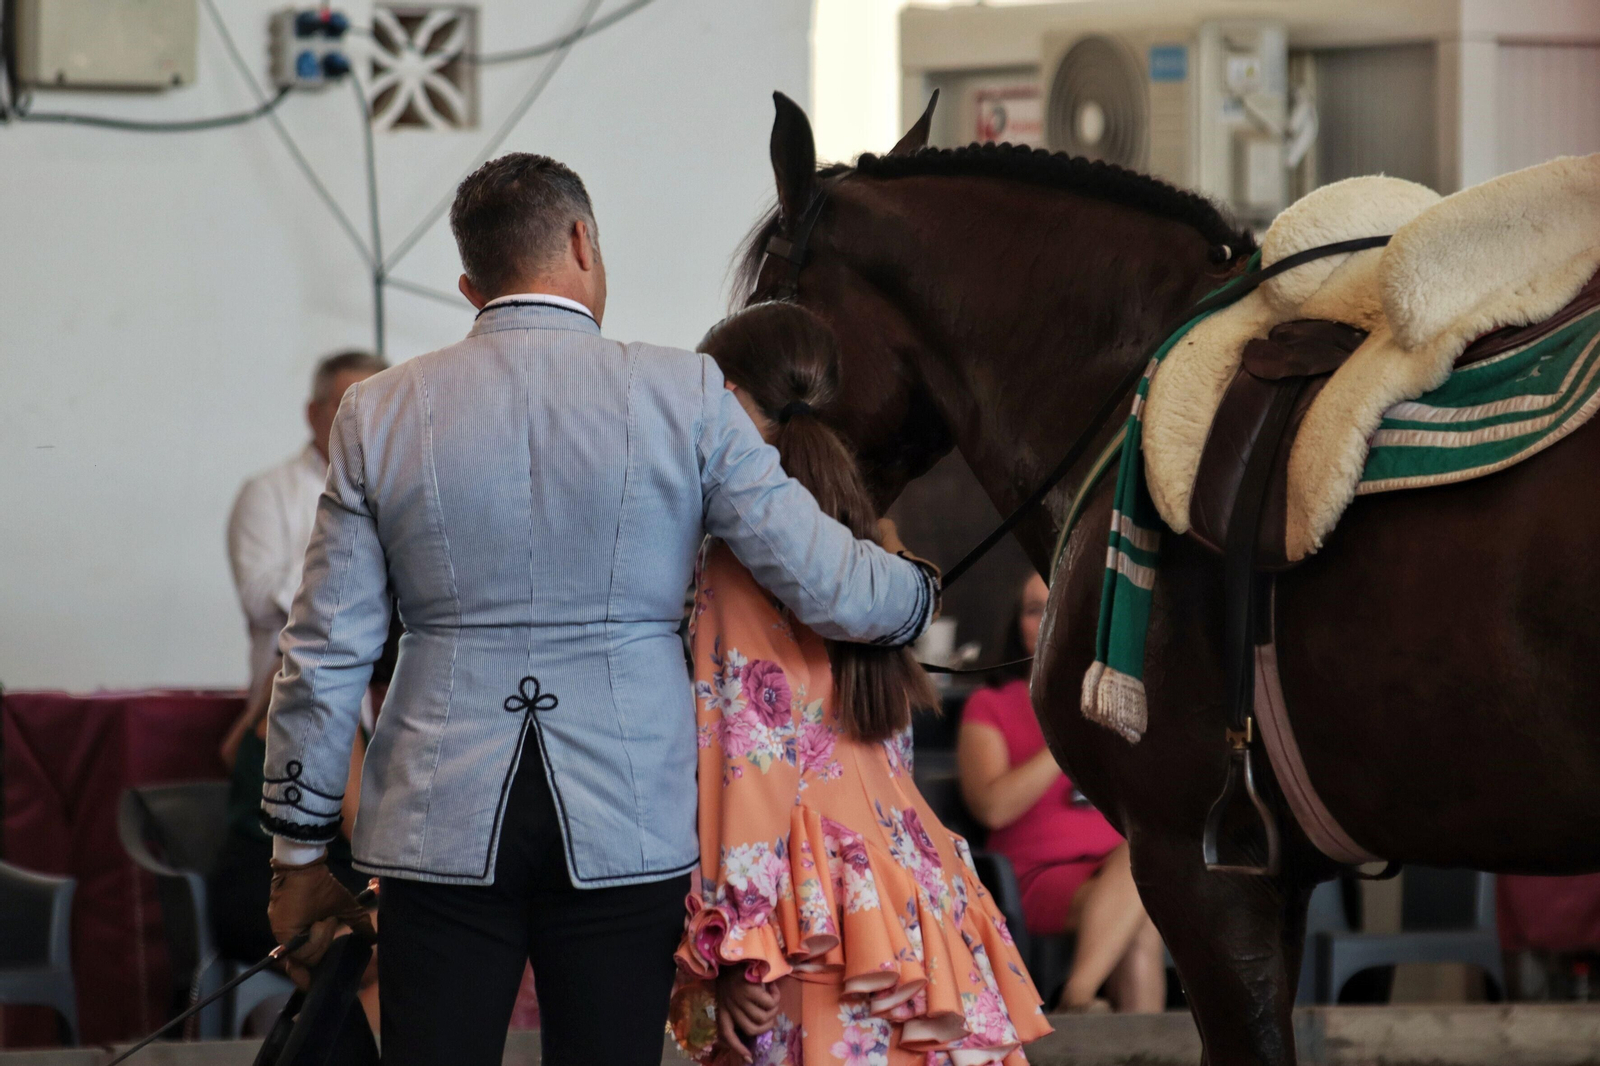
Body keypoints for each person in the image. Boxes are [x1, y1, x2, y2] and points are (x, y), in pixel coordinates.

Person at [258, 153, 942, 1066]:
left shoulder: (376, 412)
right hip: (628, 810)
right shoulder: (684, 393)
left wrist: (298, 855)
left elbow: (322, 653)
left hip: (436, 815)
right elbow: (824, 581)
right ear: (583, 241)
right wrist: (919, 593)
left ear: (471, 283)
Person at [670, 302, 1050, 1065]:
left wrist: (733, 944)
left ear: (735, 401)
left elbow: (747, 759)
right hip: (908, 895)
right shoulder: (868, 544)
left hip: (806, 921)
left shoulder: (736, 564)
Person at [957, 574, 1165, 1013]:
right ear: (1018, 624)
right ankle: (1085, 1007)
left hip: (1116, 873)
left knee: (1144, 878)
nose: (1050, 621)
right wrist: (1062, 736)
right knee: (1143, 890)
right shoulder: (990, 705)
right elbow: (992, 808)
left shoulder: (1113, 700)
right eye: (1035, 609)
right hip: (1033, 877)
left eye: (1060, 608)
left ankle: (1079, 1005)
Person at [226, 351, 388, 698]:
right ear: (313, 414)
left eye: (378, 406)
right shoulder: (267, 491)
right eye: (349, 407)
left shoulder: (403, 491)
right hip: (290, 698)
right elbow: (257, 599)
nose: (364, 421)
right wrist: (348, 558)